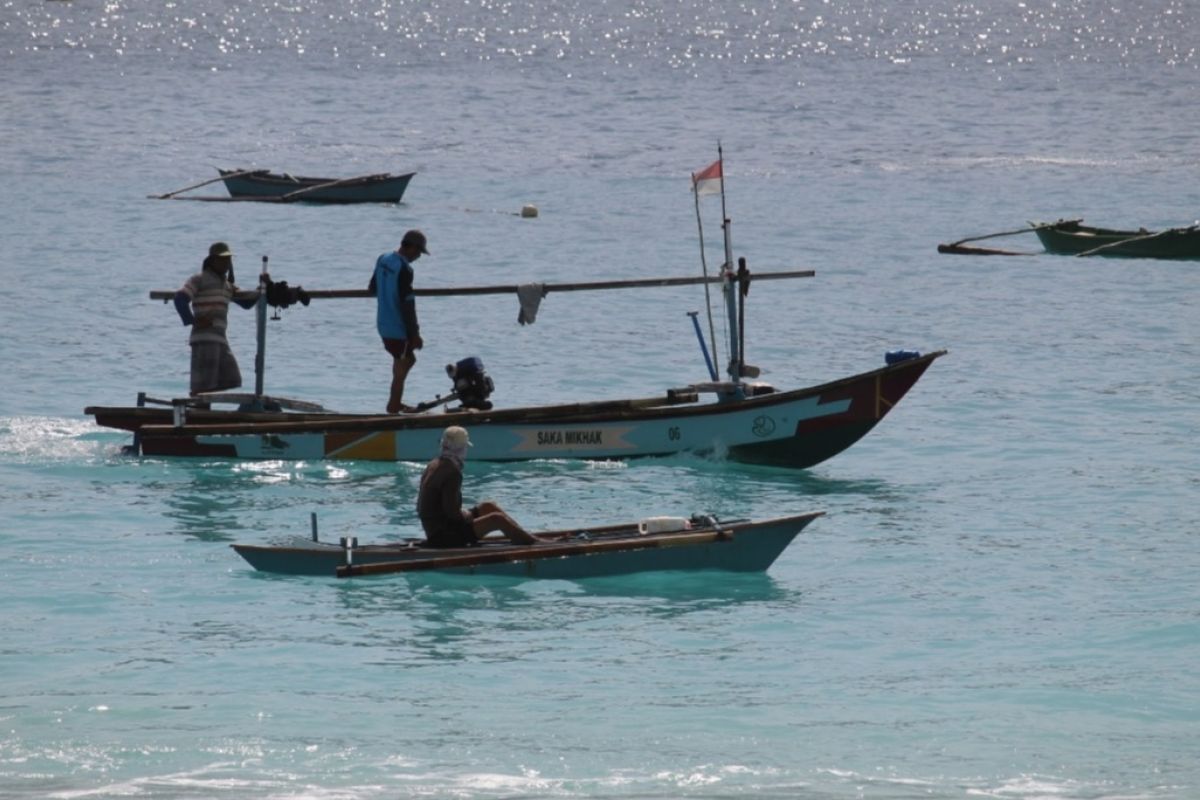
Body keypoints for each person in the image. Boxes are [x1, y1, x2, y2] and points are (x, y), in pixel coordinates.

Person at [417, 426, 541, 547]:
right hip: (444, 537)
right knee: (496, 519)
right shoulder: (452, 472)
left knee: (488, 506)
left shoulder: (434, 464)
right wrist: (468, 517)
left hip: (435, 530)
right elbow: (452, 514)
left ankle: (525, 536)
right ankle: (533, 543)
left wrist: (467, 515)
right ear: (461, 448)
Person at [174, 242, 259, 396]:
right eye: (222, 260)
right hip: (204, 339)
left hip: (220, 339)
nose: (226, 263)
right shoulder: (199, 279)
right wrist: (193, 321)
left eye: (228, 260)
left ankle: (203, 402)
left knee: (232, 379)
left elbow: (247, 302)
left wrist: (262, 287)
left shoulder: (227, 286)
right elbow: (180, 298)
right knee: (203, 385)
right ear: (212, 260)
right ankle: (198, 408)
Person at [368, 229, 428, 413]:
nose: (418, 256)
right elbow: (407, 307)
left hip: (382, 324)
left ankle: (395, 402)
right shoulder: (405, 269)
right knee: (406, 363)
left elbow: (372, 288)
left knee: (402, 362)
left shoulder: (383, 258)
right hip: (397, 328)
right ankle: (393, 407)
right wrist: (415, 334)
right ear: (410, 247)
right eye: (419, 252)